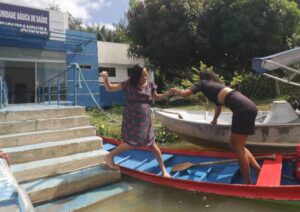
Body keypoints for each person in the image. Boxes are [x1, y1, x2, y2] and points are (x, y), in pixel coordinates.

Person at [171, 70, 261, 184]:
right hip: (249, 107)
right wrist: (214, 120)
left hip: (242, 110)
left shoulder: (203, 83)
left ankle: (248, 183)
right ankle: (258, 170)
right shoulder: (216, 87)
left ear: (201, 78)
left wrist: (176, 91)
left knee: (238, 148)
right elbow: (218, 107)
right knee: (235, 145)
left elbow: (184, 93)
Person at [100, 64, 174, 177]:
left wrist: (168, 93)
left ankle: (164, 170)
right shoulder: (128, 84)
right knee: (132, 143)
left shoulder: (150, 84)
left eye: (146, 75)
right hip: (132, 117)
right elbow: (110, 88)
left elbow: (157, 97)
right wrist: (105, 78)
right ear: (136, 76)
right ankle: (109, 156)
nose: (145, 77)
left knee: (152, 144)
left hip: (145, 118)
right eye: (142, 75)